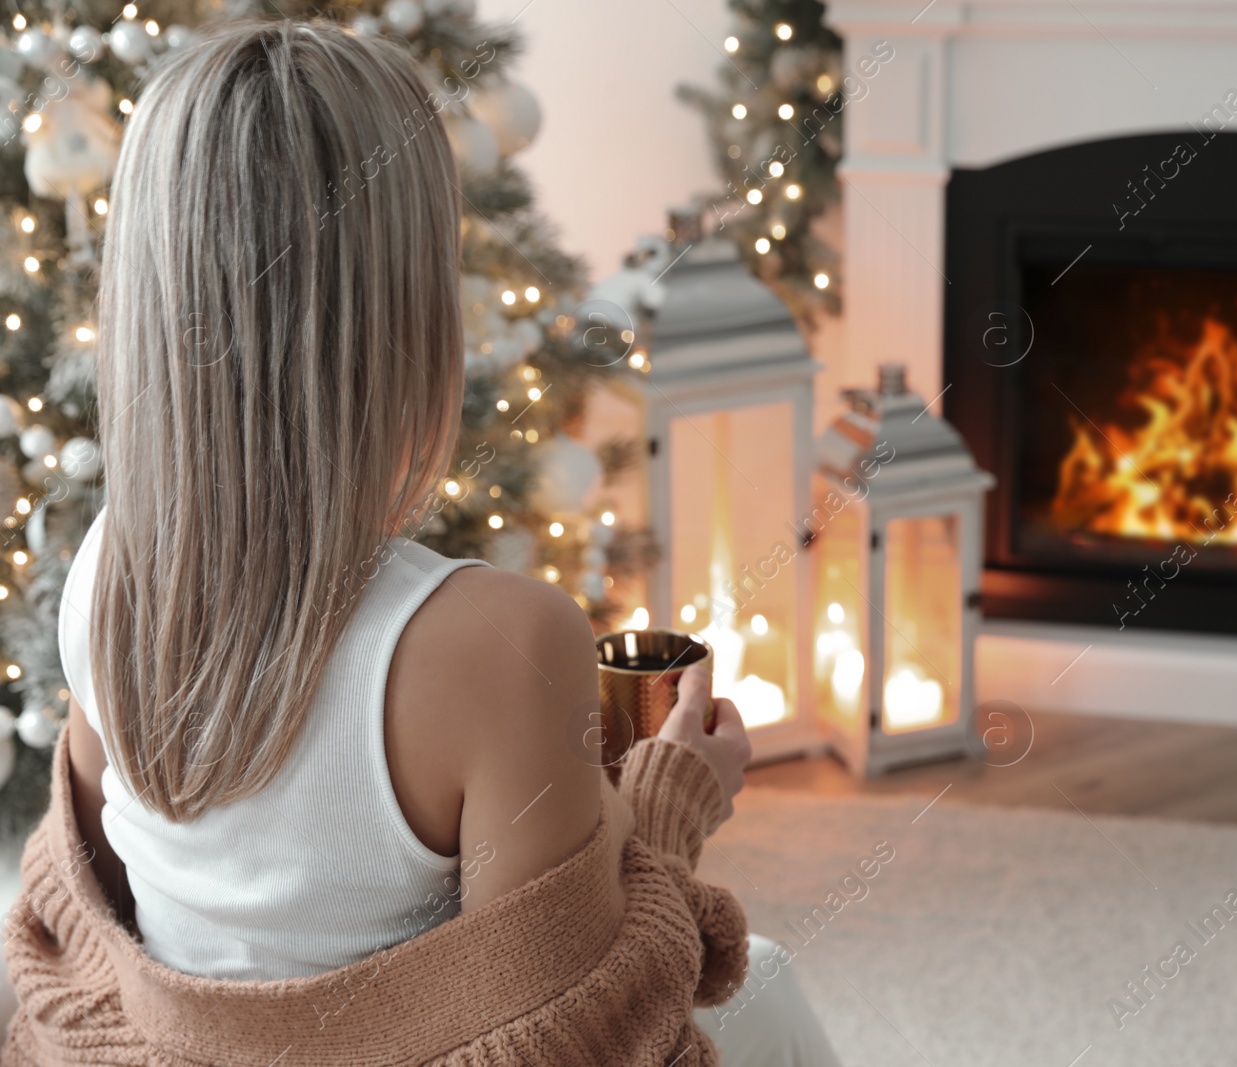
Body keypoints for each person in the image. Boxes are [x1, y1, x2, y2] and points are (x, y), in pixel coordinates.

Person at [6, 20, 839, 1067]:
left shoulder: (104, 570)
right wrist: (666, 806)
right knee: (766, 985)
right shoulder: (502, 641)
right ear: (407, 310)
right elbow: (589, 1031)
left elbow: (83, 902)